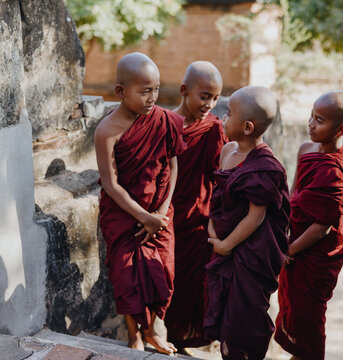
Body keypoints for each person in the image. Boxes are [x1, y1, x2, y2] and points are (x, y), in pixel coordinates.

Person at [94, 52, 186, 355]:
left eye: (156, 89)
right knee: (127, 276)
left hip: (160, 213)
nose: (152, 98)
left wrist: (159, 213)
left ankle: (152, 332)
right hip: (124, 215)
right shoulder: (107, 131)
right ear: (121, 91)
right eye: (144, 91)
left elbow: (172, 165)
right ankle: (134, 334)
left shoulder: (164, 120)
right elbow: (111, 183)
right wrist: (143, 216)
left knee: (161, 271)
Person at [203, 85, 290, 360]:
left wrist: (225, 245)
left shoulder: (265, 167)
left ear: (248, 127)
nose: (222, 120)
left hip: (249, 254)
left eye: (228, 115)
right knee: (226, 316)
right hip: (225, 245)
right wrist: (212, 227)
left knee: (244, 319)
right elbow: (219, 197)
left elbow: (257, 216)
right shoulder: (228, 150)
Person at [274, 90, 343, 360]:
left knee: (308, 314)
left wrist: (290, 251)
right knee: (293, 308)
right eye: (311, 115)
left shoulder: (334, 169)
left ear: (341, 128)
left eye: (320, 120)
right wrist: (282, 231)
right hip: (296, 240)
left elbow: (322, 226)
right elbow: (294, 192)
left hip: (315, 252)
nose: (310, 123)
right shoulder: (305, 150)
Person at [164, 61, 227, 352]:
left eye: (215, 98)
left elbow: (222, 175)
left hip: (199, 221)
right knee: (167, 284)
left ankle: (184, 340)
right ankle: (166, 338)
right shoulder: (164, 124)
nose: (210, 104)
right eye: (204, 96)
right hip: (165, 219)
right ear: (183, 90)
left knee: (191, 287)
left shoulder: (213, 129)